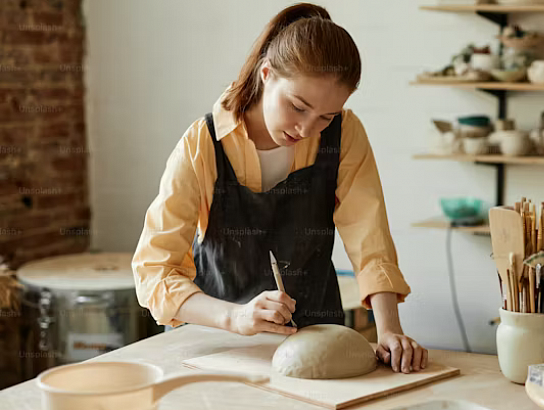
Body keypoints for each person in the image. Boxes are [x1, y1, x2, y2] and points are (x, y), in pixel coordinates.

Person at [132, 3, 427, 374]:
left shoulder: (345, 134)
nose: (306, 128)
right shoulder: (202, 144)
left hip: (318, 342)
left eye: (325, 117)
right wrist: (237, 317)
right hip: (218, 350)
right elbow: (155, 272)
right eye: (298, 107)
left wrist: (389, 330)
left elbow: (371, 242)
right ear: (267, 73)